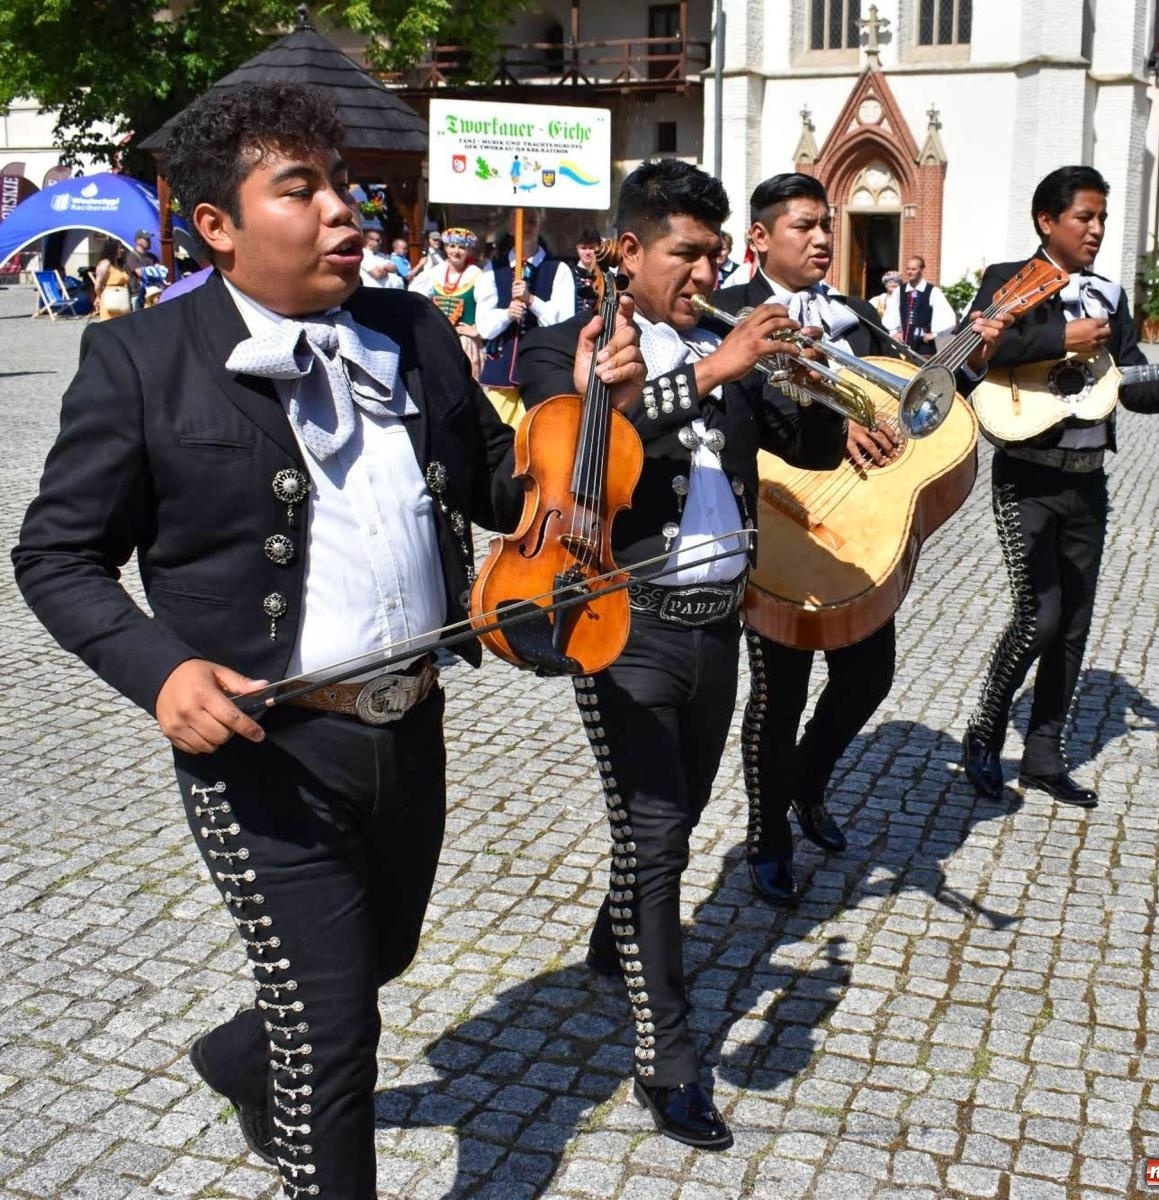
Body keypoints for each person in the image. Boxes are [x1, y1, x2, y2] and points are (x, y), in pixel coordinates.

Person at [11, 82, 643, 1200]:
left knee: (382, 956)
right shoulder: (141, 361)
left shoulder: (411, 329)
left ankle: (234, 1053)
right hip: (265, 755)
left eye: (342, 184)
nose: (343, 210)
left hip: (409, 726)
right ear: (216, 226)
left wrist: (579, 425)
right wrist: (160, 674)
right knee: (338, 1033)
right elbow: (55, 558)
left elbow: (497, 490)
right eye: (299, 189)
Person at [518, 158, 847, 1151]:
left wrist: (813, 376)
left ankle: (610, 940)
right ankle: (671, 1062)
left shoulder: (723, 341)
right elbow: (580, 447)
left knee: (678, 817)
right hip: (622, 622)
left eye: (713, 254)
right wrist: (708, 372)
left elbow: (818, 453)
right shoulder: (564, 347)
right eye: (685, 254)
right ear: (627, 251)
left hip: (716, 619)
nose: (706, 273)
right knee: (659, 839)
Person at [716, 173, 1008, 907]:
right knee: (776, 696)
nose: (820, 239)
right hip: (779, 517)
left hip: (852, 534)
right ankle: (767, 837)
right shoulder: (726, 313)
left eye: (825, 225)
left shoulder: (853, 314)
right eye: (802, 226)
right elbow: (736, 413)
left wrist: (968, 360)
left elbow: (913, 399)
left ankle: (806, 785)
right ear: (759, 238)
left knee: (866, 676)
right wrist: (827, 428)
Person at [960, 165, 1159, 808]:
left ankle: (1043, 755)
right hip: (1027, 477)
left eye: (1101, 217)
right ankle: (983, 736)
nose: (1096, 229)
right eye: (1084, 217)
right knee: (1036, 616)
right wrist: (1059, 336)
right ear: (1048, 221)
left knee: (1072, 625)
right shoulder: (1009, 281)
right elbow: (970, 352)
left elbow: (1130, 383)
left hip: (1087, 483)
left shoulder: (1109, 295)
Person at [473, 207, 574, 426]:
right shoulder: (494, 269)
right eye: (520, 222)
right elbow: (484, 326)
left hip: (543, 372)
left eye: (531, 221)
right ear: (510, 227)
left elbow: (564, 323)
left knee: (540, 439)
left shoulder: (559, 270)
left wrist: (532, 301)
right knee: (498, 437)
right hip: (502, 373)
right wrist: (507, 314)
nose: (526, 227)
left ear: (540, 226)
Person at [409, 226, 484, 377]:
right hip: (438, 337)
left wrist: (478, 329)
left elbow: (486, 306)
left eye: (462, 247)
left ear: (468, 251)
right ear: (446, 248)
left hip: (464, 341)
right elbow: (416, 298)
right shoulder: (435, 273)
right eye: (452, 246)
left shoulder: (476, 275)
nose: (456, 251)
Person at [882, 253, 956, 354]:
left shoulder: (933, 291)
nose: (910, 272)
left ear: (921, 270)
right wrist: (894, 333)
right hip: (901, 345)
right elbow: (891, 314)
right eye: (908, 269)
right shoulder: (899, 291)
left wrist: (934, 334)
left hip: (924, 347)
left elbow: (946, 316)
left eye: (913, 269)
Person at [92, 240, 131, 319]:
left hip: (122, 299)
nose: (122, 250)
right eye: (119, 248)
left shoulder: (120, 264)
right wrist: (99, 297)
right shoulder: (105, 264)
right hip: (110, 299)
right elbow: (98, 285)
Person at [572, 226, 602, 316]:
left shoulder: (605, 275)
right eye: (583, 248)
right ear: (577, 248)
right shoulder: (568, 275)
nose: (587, 252)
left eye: (591, 248)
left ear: (599, 247)